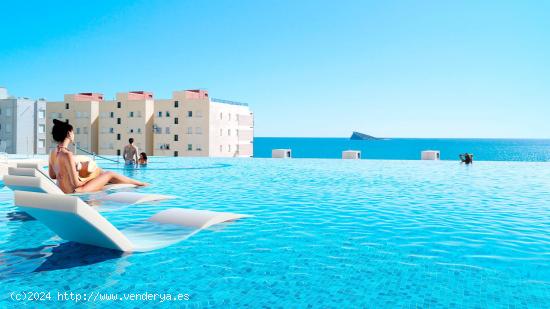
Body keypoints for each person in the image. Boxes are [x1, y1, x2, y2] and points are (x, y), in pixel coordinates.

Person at [48, 119, 147, 194]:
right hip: (76, 191)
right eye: (73, 132)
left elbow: (52, 175)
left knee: (101, 173)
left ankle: (137, 183)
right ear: (69, 133)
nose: (74, 134)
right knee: (109, 174)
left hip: (62, 190)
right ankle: (140, 184)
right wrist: (91, 178)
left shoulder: (52, 152)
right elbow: (76, 184)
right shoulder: (67, 154)